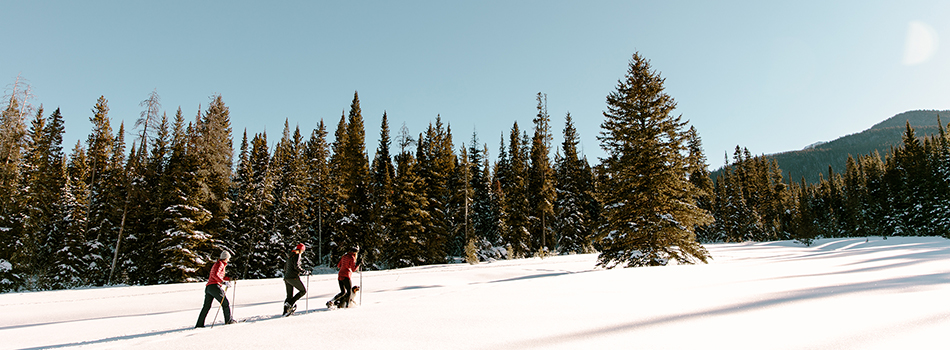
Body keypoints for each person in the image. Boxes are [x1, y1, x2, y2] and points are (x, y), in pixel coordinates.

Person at [196, 250, 236, 328]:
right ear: (225, 258)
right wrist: (223, 282)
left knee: (206, 307)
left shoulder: (218, 264)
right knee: (225, 303)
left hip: (209, 287)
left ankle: (199, 324)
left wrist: (230, 278)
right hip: (214, 287)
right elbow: (215, 275)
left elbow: (219, 276)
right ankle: (228, 320)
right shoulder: (220, 264)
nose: (228, 259)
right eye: (228, 258)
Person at [282, 243, 308, 315]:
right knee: (303, 291)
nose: (302, 252)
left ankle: (285, 311)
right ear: (301, 250)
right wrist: (304, 271)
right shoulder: (297, 255)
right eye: (302, 251)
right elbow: (296, 266)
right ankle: (290, 304)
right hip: (293, 277)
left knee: (289, 296)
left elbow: (285, 267)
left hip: (286, 277)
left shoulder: (289, 255)